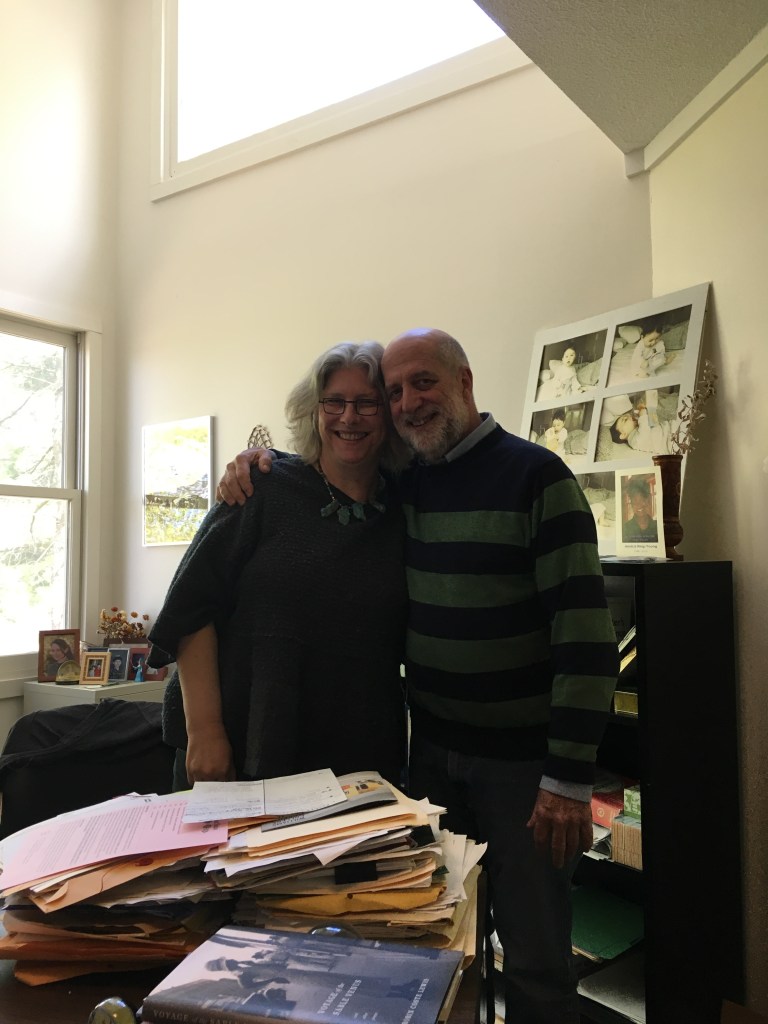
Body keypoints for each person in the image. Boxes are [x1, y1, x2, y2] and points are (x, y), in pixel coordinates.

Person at [218, 328, 618, 1024]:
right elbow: (330, 464)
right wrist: (258, 461)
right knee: (433, 942)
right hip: (430, 762)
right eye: (396, 390)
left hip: (523, 773)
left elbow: (585, 635)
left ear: (464, 381)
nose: (407, 403)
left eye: (423, 383)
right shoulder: (406, 483)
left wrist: (567, 779)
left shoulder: (538, 477)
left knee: (536, 956)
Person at [148, 341, 409, 791]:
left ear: (388, 414)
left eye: (367, 403)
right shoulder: (261, 488)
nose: (349, 417)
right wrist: (205, 732)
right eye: (334, 402)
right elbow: (191, 608)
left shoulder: (403, 507)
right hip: (237, 745)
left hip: (356, 756)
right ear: (314, 411)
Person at [609, 389, 675, 454]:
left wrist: (646, 411)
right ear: (623, 435)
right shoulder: (633, 442)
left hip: (668, 430)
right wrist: (642, 415)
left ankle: (651, 394)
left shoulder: (637, 429)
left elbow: (653, 424)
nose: (629, 416)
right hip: (669, 442)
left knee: (652, 413)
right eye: (625, 420)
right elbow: (644, 432)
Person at [622, 477, 658, 542]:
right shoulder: (625, 529)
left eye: (642, 499)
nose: (639, 504)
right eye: (635, 500)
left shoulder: (657, 526)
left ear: (648, 500)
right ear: (631, 503)